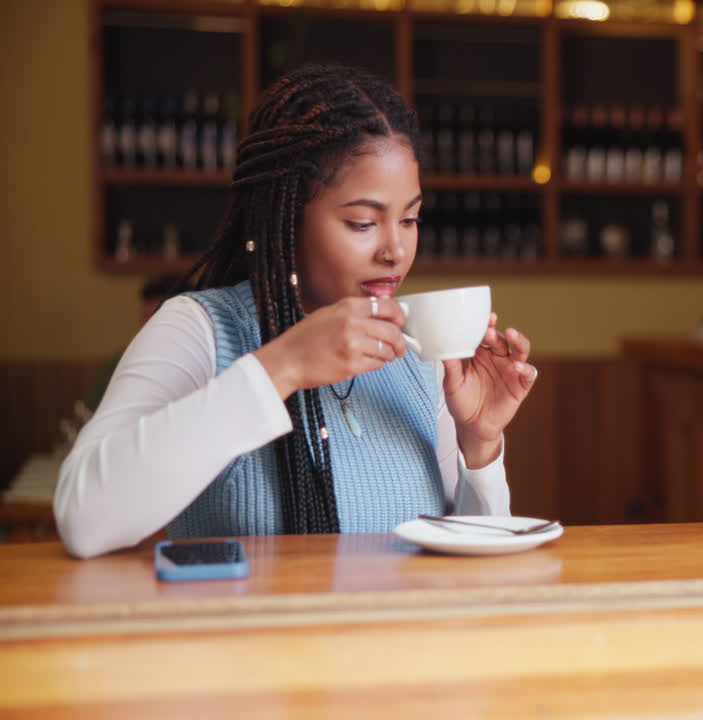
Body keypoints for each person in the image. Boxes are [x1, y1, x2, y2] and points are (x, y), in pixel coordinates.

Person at [56, 64, 538, 558]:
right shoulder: (200, 329)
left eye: (410, 218)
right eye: (362, 222)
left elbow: (470, 563)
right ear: (286, 218)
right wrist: (282, 366)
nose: (395, 250)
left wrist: (478, 443)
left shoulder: (418, 361)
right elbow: (84, 519)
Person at [83, 273, 190, 412]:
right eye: (145, 317)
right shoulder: (122, 361)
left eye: (157, 317)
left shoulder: (203, 364)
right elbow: (88, 416)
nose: (147, 326)